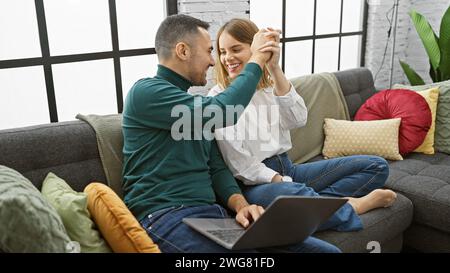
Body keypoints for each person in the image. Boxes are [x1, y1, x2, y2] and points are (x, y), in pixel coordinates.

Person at [122, 14, 340, 253]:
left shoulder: (194, 106)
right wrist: (257, 58)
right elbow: (224, 111)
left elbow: (216, 167)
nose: (214, 62)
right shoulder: (146, 93)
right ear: (183, 51)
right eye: (208, 51)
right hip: (165, 217)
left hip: (214, 215)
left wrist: (242, 206)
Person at [208, 18, 397, 232]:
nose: (227, 58)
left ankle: (317, 204)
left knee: (376, 166)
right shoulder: (218, 97)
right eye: (222, 52)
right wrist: (282, 181)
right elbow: (240, 165)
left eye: (235, 49)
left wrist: (274, 67)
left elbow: (298, 119)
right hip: (254, 183)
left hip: (288, 167)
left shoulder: (269, 86)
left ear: (255, 49)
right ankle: (351, 206)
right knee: (290, 195)